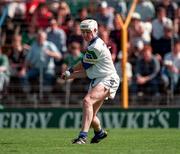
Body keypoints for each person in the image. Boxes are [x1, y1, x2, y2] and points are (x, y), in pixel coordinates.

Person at [61, 19, 120, 144]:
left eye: (88, 32)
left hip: (108, 78)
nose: (85, 35)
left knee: (87, 101)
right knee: (91, 116)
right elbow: (87, 71)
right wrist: (69, 76)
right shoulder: (93, 45)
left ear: (95, 31)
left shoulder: (95, 46)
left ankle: (82, 137)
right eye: (83, 32)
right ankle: (99, 133)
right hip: (98, 79)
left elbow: (83, 64)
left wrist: (70, 70)